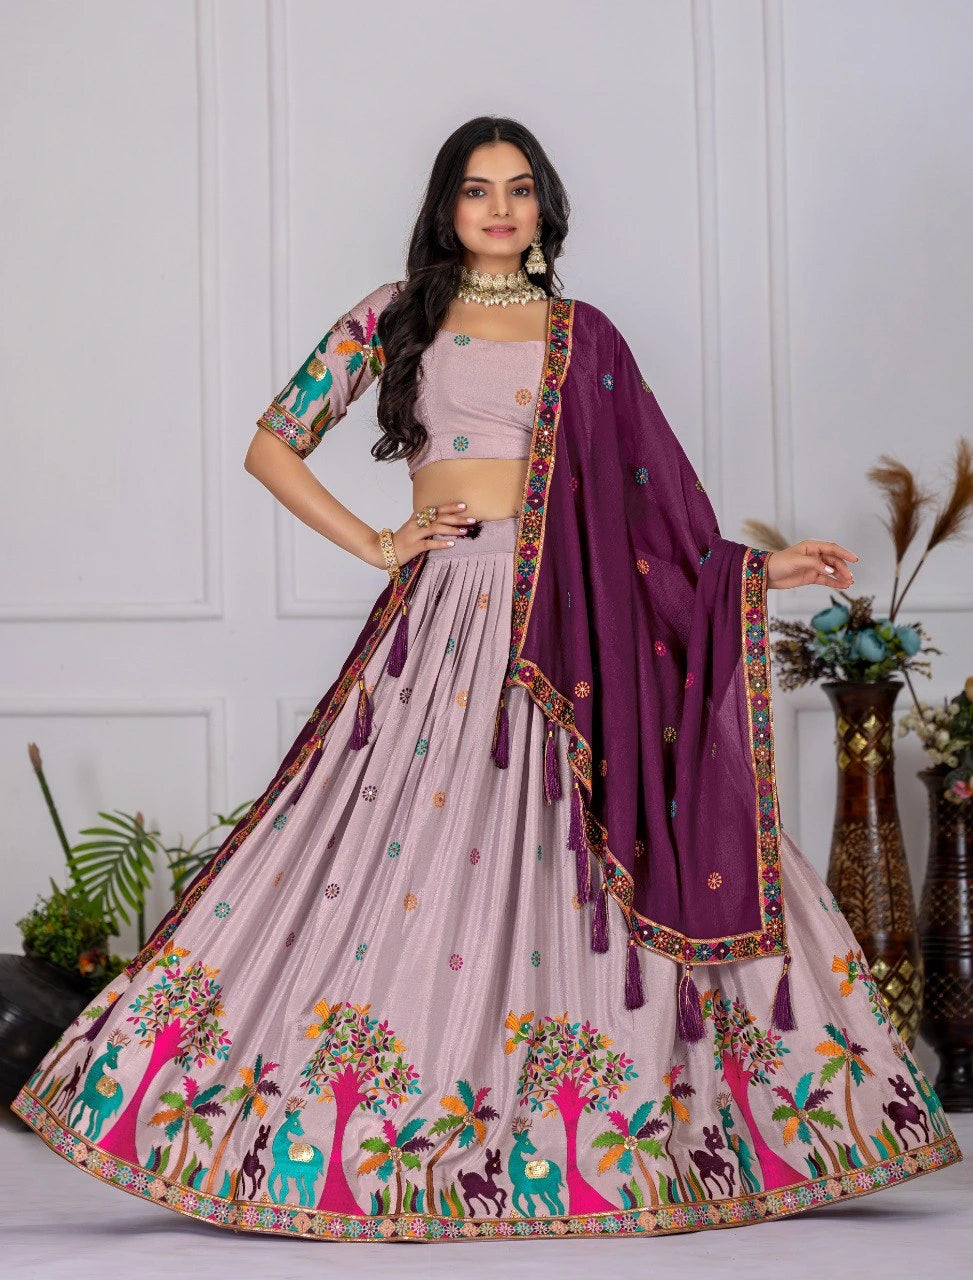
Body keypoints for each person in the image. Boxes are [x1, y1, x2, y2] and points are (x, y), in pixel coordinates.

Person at [11, 116, 962, 1244]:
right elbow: (273, 442)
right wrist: (375, 541)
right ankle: (335, 1115)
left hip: (579, 626)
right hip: (448, 616)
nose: (499, 209)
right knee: (382, 858)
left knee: (582, 855)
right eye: (476, 190)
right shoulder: (395, 315)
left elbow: (649, 516)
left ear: (544, 207)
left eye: (518, 189)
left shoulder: (583, 334)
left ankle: (644, 1124)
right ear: (445, 207)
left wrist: (759, 568)